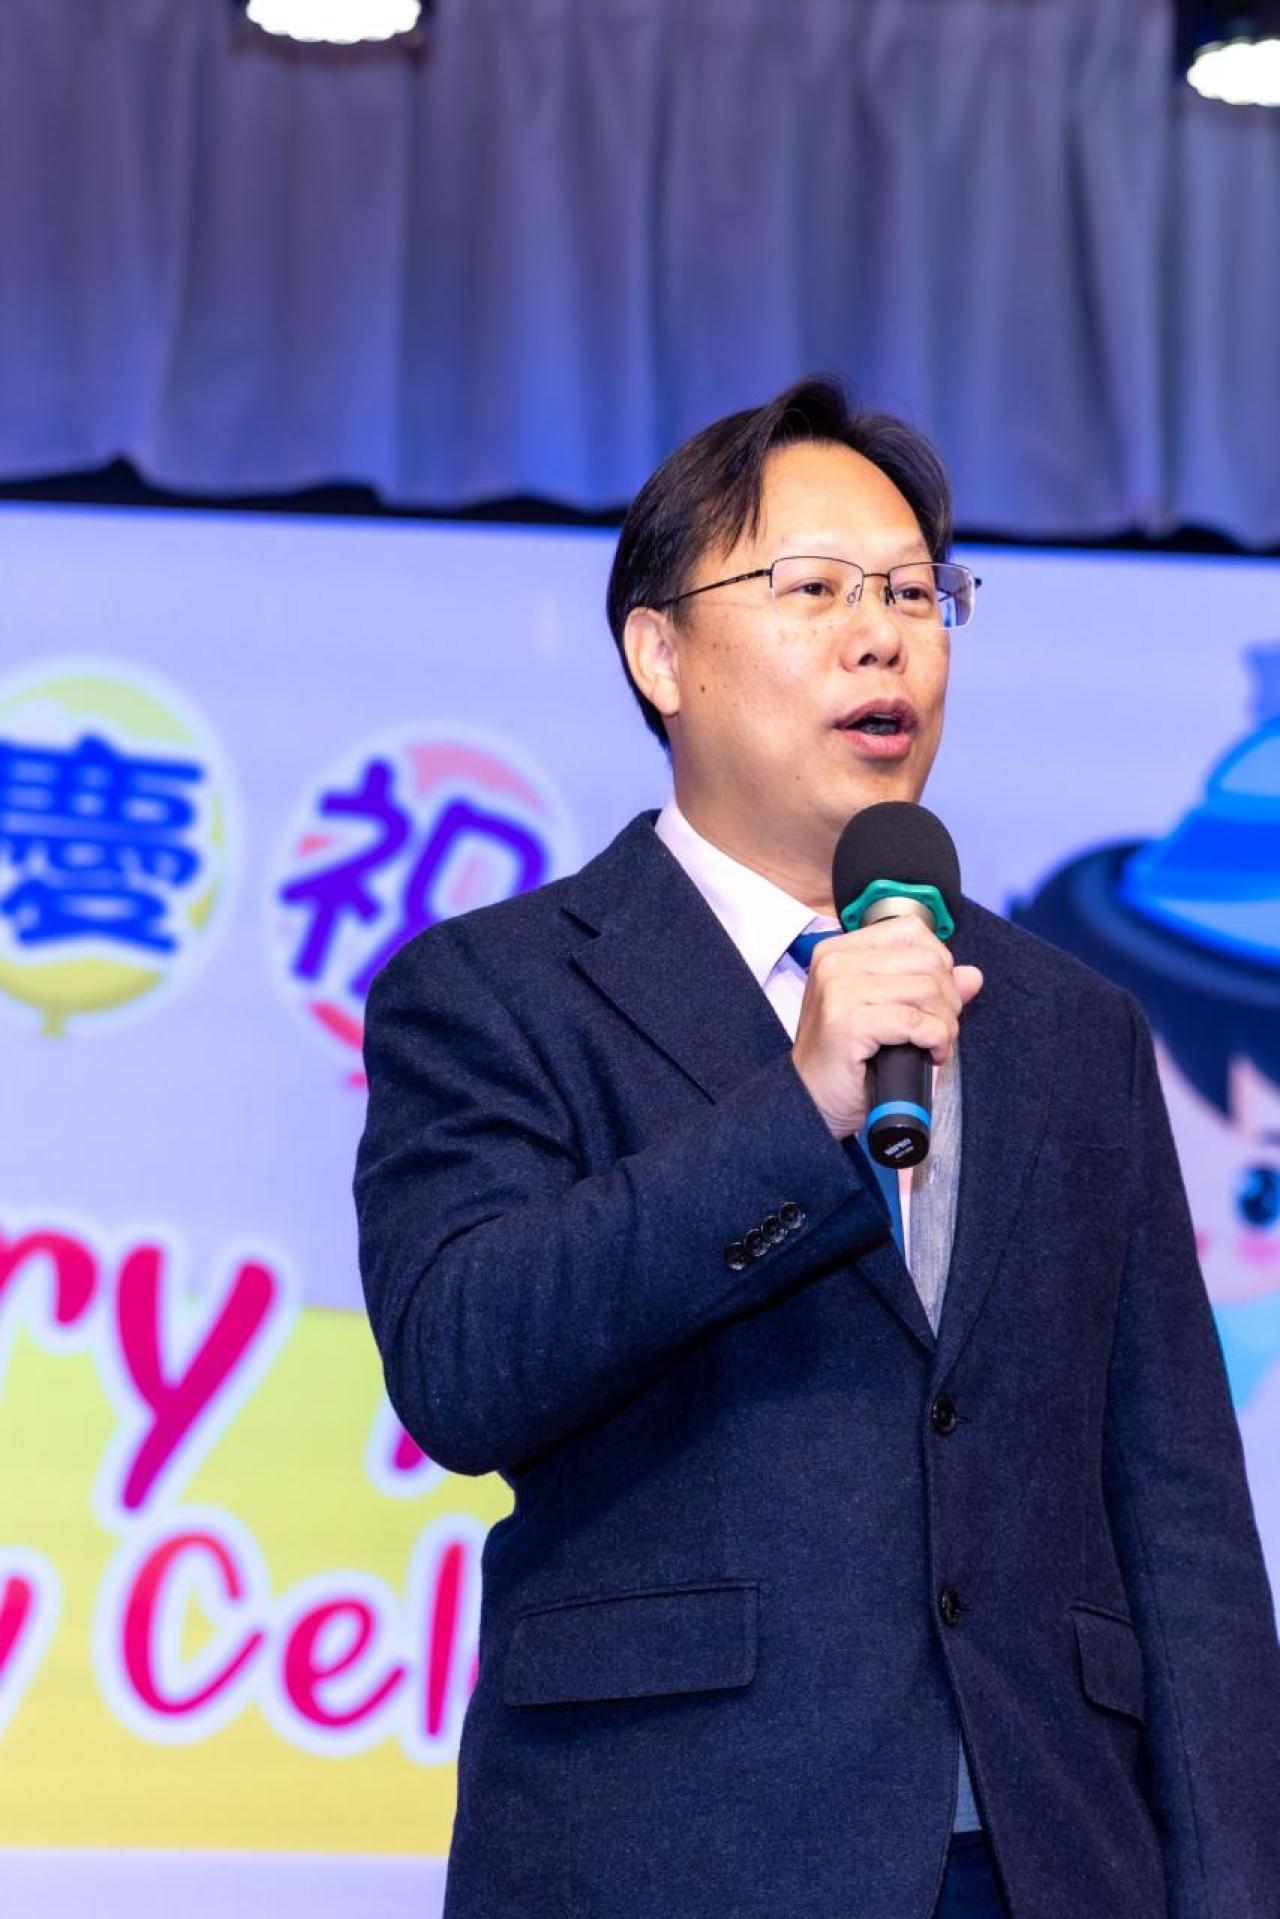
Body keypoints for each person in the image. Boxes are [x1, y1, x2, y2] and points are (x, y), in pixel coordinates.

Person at [354, 378, 1280, 1918]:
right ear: (660, 654)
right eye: (815, 591)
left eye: (915, 594)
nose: (882, 637)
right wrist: (798, 1110)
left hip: (1046, 1858)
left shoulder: (1070, 1025)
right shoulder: (497, 992)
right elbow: (464, 1367)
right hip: (676, 1853)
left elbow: (1177, 1507)